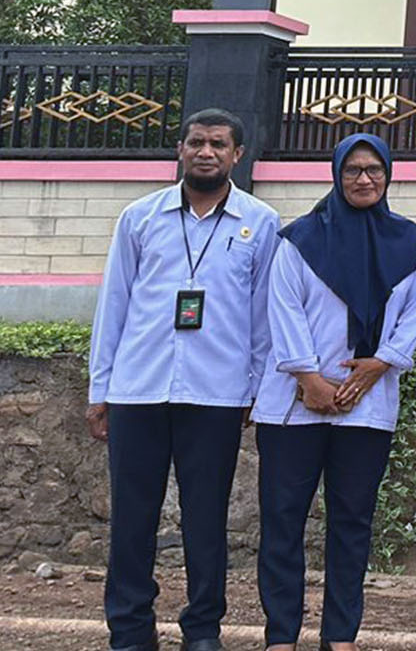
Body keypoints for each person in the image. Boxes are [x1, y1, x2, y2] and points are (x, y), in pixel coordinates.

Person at [87, 108, 282, 651]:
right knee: (133, 518)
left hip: (217, 393)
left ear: (237, 155)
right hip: (139, 388)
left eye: (218, 144)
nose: (206, 152)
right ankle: (130, 628)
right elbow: (114, 305)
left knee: (206, 519)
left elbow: (263, 317)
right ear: (180, 150)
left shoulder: (261, 223)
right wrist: (100, 390)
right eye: (196, 142)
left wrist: (257, 388)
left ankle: (203, 628)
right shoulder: (140, 218)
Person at [252, 132, 416, 651]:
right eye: (353, 170)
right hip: (294, 406)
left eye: (374, 170)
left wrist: (380, 364)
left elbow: (414, 316)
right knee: (283, 519)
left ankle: (340, 635)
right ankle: (281, 635)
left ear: (388, 175)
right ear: (337, 175)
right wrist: (308, 378)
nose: (364, 179)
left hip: (366, 406)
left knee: (352, 522)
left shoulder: (412, 246)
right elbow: (283, 309)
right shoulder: (299, 240)